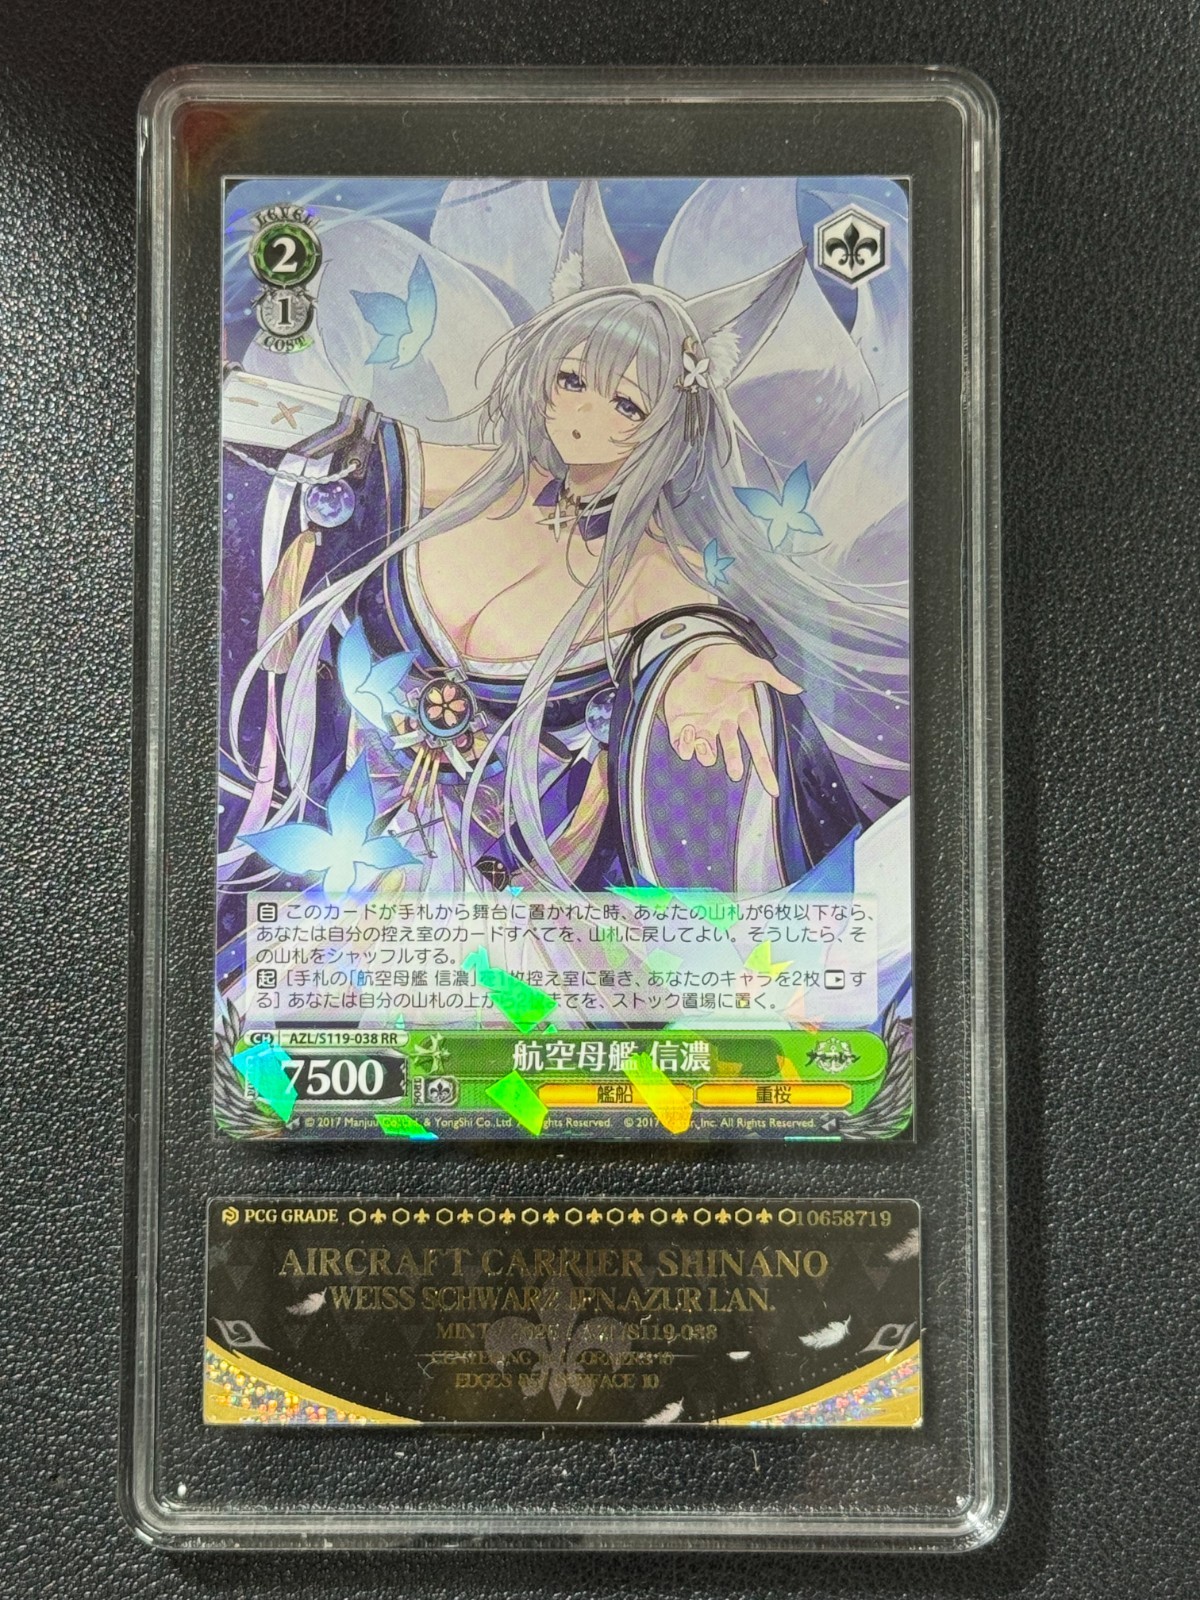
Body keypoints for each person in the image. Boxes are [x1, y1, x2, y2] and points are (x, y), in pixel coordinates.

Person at [220, 182, 874, 918]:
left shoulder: (648, 568)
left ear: (666, 428)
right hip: (328, 851)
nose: (584, 415)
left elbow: (695, 629)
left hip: (500, 911)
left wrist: (706, 672)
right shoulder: (474, 481)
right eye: (573, 380)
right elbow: (341, 450)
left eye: (626, 404)